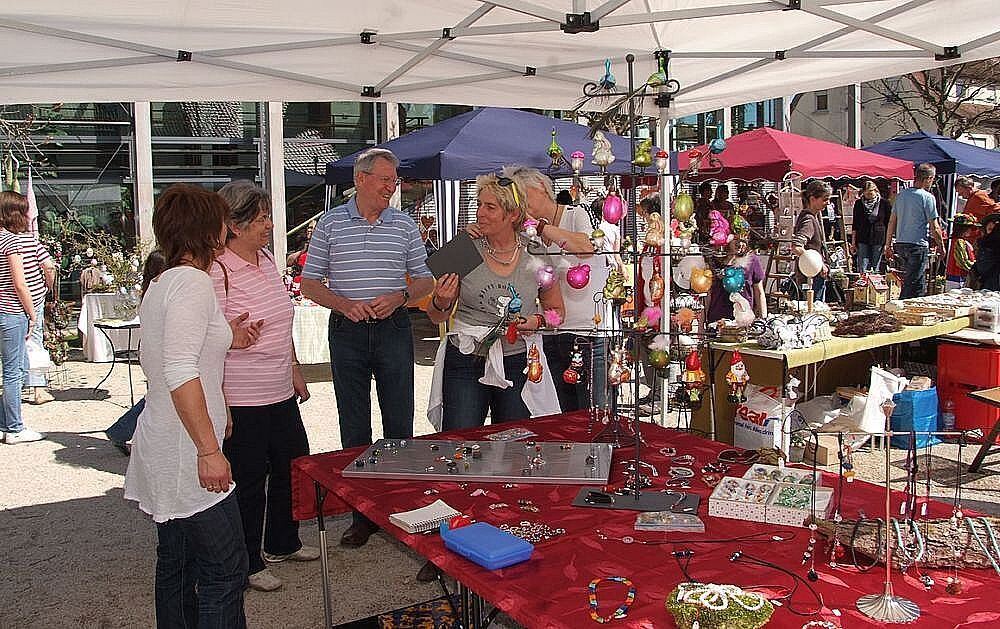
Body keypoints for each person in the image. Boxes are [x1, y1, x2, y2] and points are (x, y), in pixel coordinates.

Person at [124, 184, 261, 628]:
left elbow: (174, 353)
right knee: (226, 569)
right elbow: (180, 369)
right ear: (211, 229)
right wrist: (208, 448)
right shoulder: (194, 282)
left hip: (165, 439)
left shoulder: (164, 279)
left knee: (177, 563)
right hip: (185, 450)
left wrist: (229, 338)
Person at [300, 148, 433, 549]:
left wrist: (400, 297)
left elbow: (425, 282)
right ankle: (362, 515)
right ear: (360, 180)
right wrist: (344, 304)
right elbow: (309, 283)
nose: (392, 187)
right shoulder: (330, 223)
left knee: (399, 424)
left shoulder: (405, 225)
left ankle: (401, 511)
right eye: (385, 179)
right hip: (347, 330)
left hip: (393, 327)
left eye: (395, 180)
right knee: (353, 427)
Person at [211, 181, 317, 593]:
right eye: (260, 219)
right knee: (250, 479)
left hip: (278, 388)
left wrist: (293, 368)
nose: (270, 225)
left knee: (294, 463)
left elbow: (280, 317)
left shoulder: (267, 258)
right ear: (234, 226)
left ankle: (283, 541)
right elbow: (208, 334)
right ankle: (248, 560)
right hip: (242, 393)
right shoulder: (216, 270)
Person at [427, 170, 564, 430]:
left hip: (518, 362)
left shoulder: (536, 253)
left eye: (490, 207)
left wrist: (534, 321)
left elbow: (556, 313)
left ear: (512, 214)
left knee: (515, 446)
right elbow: (435, 316)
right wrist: (442, 301)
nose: (479, 213)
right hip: (467, 358)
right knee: (461, 441)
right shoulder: (463, 247)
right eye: (479, 205)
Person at [506, 166, 606, 413]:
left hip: (587, 331)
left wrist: (541, 228)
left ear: (541, 187)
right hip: (550, 332)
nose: (521, 204)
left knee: (593, 412)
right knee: (563, 413)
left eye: (523, 195)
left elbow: (586, 246)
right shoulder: (528, 234)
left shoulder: (577, 213)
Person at [105, 250, 168, 455]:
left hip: (154, 350)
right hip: (160, 351)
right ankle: (121, 430)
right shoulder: (157, 291)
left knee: (156, 397)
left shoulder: (150, 290)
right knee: (157, 397)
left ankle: (122, 431)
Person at [0, 191, 51, 443]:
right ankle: (14, 428)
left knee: (12, 369)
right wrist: (31, 313)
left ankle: (4, 422)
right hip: (11, 310)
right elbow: (19, 283)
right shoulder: (11, 242)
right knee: (14, 371)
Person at [884, 163, 946, 299]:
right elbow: (935, 226)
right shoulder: (927, 197)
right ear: (928, 178)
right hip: (917, 245)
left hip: (900, 243)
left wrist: (888, 245)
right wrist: (941, 246)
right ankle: (904, 310)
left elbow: (892, 221)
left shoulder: (901, 195)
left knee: (910, 280)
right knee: (914, 284)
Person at [706, 236, 767, 323]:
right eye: (736, 240)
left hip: (743, 320)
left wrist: (763, 319)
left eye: (744, 240)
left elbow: (759, 292)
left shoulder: (752, 260)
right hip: (717, 321)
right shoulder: (713, 262)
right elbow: (707, 294)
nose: (741, 244)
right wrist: (702, 324)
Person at [792, 180, 833, 301]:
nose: (827, 203)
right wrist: (817, 264)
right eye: (824, 199)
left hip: (813, 277)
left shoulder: (811, 217)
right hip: (811, 279)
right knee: (814, 315)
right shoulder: (808, 220)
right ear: (812, 199)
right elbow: (796, 246)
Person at [851, 180, 891, 273]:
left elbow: (889, 223)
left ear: (875, 191)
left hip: (879, 237)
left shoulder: (884, 203)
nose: (869, 195)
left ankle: (874, 284)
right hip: (863, 237)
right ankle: (863, 284)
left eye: (871, 193)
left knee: (875, 266)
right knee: (862, 265)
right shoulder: (859, 204)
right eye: (866, 193)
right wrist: (853, 243)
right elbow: (855, 224)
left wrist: (888, 242)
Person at [945, 213, 978, 290]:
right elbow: (962, 261)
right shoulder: (959, 242)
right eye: (969, 228)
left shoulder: (960, 241)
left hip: (959, 276)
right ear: (963, 229)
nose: (970, 230)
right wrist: (974, 268)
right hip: (957, 276)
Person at [973, 213, 1000, 291]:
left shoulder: (986, 245)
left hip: (991, 286)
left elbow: (982, 267)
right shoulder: (985, 244)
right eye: (990, 229)